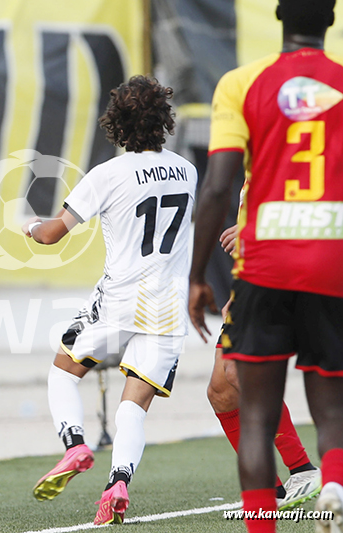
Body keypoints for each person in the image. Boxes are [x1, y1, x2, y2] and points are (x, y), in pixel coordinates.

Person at [188, 2, 343, 532]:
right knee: (328, 401)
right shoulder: (340, 85)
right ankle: (331, 484)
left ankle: (276, 504)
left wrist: (196, 276)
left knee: (251, 408)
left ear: (279, 15)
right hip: (329, 258)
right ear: (332, 18)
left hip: (267, 263)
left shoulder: (242, 84)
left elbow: (215, 186)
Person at [23, 75, 198, 525]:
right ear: (164, 118)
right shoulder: (187, 169)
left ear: (116, 124)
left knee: (63, 372)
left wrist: (30, 227)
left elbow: (51, 235)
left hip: (120, 298)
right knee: (132, 407)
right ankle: (118, 482)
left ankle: (75, 444)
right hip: (167, 302)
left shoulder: (106, 175)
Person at [208, 226, 321, 511]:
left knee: (238, 370)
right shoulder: (249, 179)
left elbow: (302, 211)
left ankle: (302, 468)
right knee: (220, 391)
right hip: (251, 278)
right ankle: (273, 491)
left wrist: (252, 230)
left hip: (275, 273)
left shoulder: (275, 180)